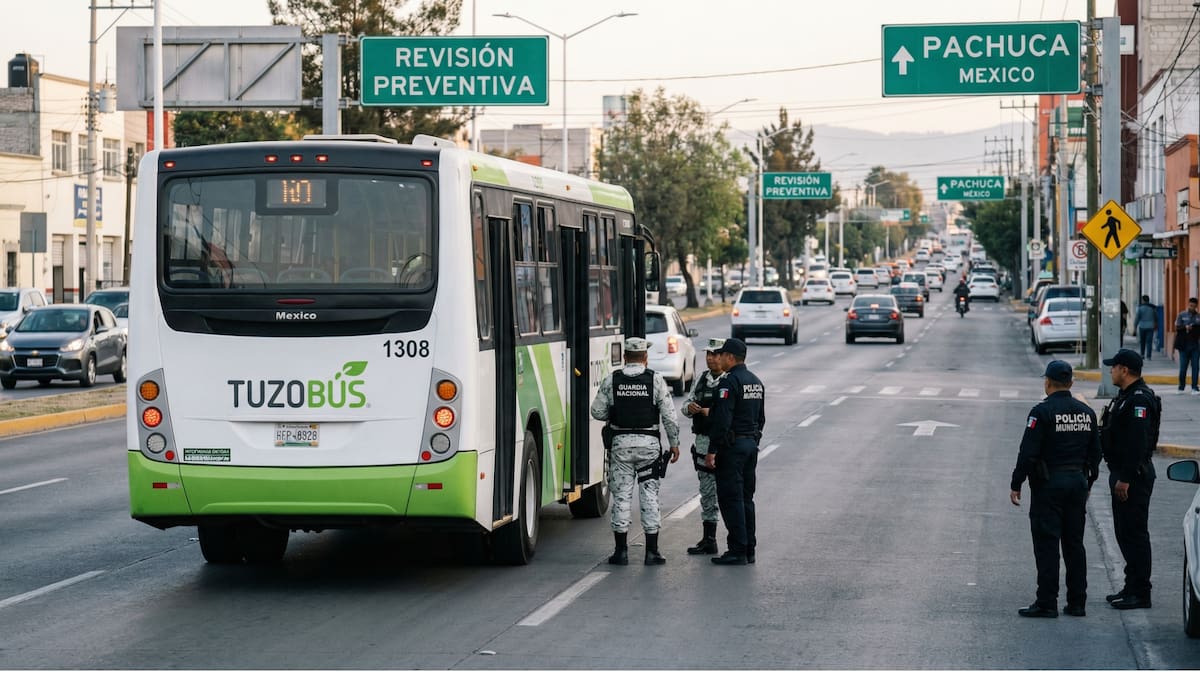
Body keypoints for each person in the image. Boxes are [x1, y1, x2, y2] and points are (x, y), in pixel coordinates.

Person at [1010, 360, 1101, 618]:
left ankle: (1047, 602)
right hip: (1077, 484)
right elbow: (1096, 453)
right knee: (1074, 544)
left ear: (1047, 382)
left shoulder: (1042, 412)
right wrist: (1089, 482)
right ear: (1071, 383)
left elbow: (1028, 452)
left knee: (1047, 544)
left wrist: (1017, 483)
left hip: (1049, 486)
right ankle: (1077, 602)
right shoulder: (1086, 413)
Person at [590, 337, 681, 566]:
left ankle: (621, 552)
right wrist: (674, 443)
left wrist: (616, 411)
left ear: (625, 357)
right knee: (649, 495)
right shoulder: (656, 380)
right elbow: (669, 416)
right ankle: (652, 553)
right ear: (645, 357)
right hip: (649, 445)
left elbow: (597, 411)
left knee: (621, 496)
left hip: (620, 445)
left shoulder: (612, 380)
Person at [1099, 348, 1161, 610]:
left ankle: (1141, 592)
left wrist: (1124, 479)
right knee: (1124, 533)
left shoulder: (1138, 400)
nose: (1110, 370)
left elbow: (1138, 443)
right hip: (1124, 472)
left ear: (1124, 370)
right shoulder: (1126, 396)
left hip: (1133, 475)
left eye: (1114, 367)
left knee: (1134, 534)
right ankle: (1131, 585)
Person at [704, 338, 766, 566]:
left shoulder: (729, 382)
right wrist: (753, 438)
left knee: (731, 499)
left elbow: (722, 420)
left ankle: (737, 550)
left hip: (732, 448)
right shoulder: (755, 382)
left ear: (730, 357)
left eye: (720, 355)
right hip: (750, 445)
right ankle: (749, 548)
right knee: (747, 499)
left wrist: (712, 450)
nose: (717, 358)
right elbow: (761, 419)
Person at [681, 337, 727, 555]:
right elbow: (684, 405)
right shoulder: (701, 379)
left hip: (724, 447)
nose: (710, 358)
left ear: (724, 356)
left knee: (727, 493)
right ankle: (709, 539)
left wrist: (711, 412)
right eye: (708, 354)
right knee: (707, 493)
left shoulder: (730, 380)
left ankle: (738, 539)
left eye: (715, 354)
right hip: (702, 444)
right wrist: (690, 408)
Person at [1174, 297, 1200, 394]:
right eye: (1190, 305)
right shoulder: (1181, 315)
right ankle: (1181, 387)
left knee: (1196, 367)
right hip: (1184, 345)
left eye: (1194, 306)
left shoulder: (1198, 316)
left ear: (1196, 306)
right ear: (1188, 304)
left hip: (1195, 346)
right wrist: (1185, 327)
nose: (1192, 307)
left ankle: (1194, 387)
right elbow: (1177, 327)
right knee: (1183, 367)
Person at [1135, 295, 1157, 361]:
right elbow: (1156, 317)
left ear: (1143, 300)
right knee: (1149, 342)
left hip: (1142, 326)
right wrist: (1155, 325)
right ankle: (1149, 356)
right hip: (1150, 326)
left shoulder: (1140, 308)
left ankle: (1142, 355)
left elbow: (1137, 318)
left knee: (1142, 341)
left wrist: (1135, 326)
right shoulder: (1152, 308)